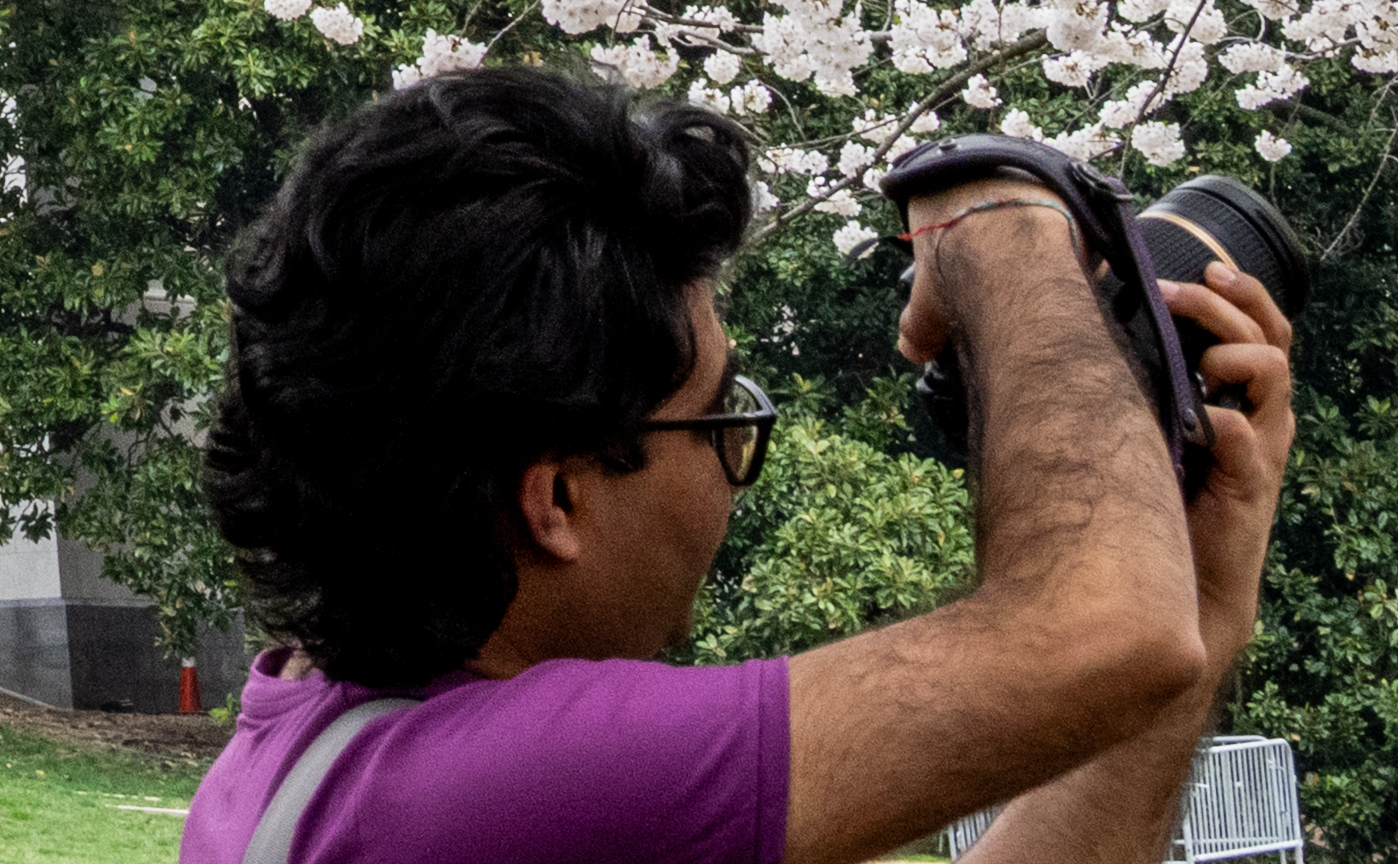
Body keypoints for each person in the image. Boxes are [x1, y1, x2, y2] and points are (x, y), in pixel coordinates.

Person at [173, 64, 1289, 864]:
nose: (733, 470)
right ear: (555, 495)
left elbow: (1131, 638)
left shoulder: (321, 747)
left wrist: (1199, 603)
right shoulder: (506, 788)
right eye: (719, 419)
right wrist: (1000, 215)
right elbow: (1101, 633)